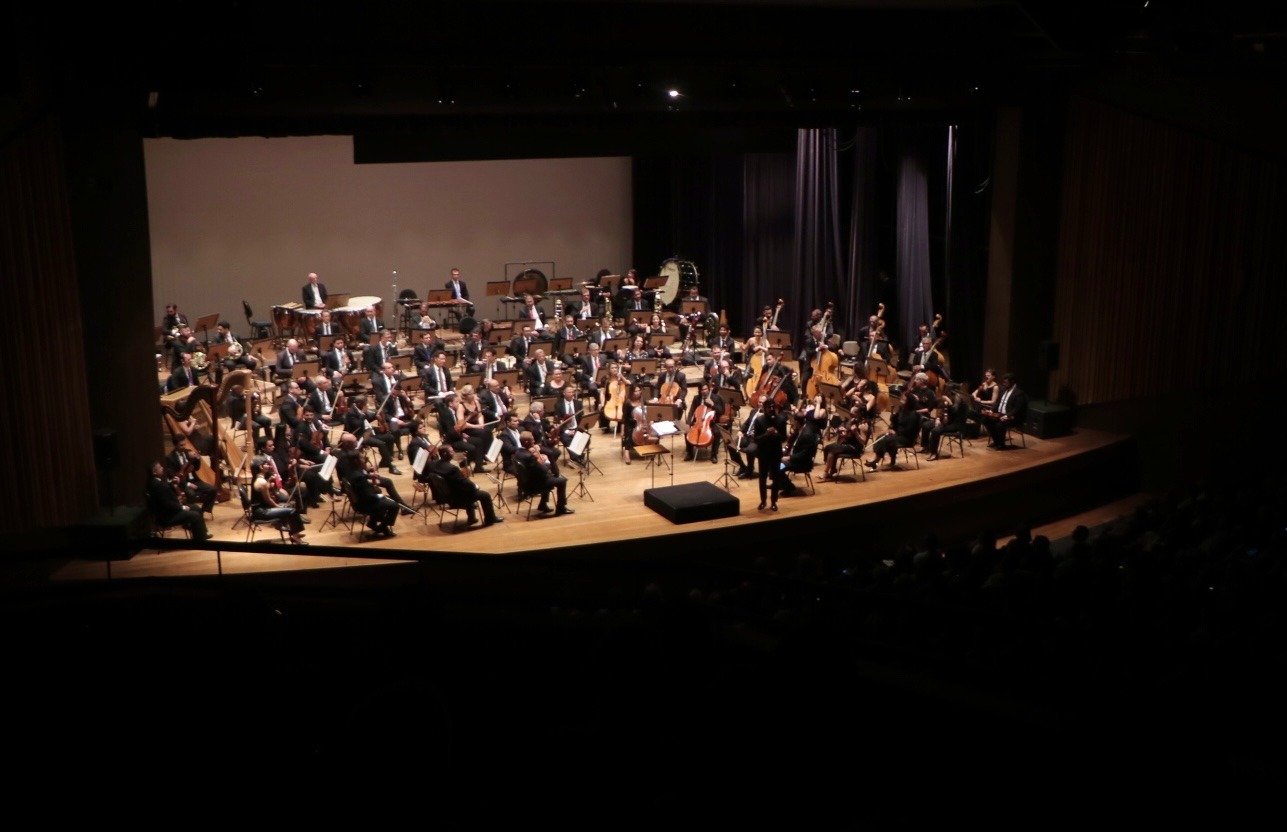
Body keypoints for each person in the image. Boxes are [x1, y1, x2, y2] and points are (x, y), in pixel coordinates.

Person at [429, 445, 502, 527]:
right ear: (445, 454)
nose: (453, 452)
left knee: (466, 490)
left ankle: (472, 518)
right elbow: (467, 484)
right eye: (451, 451)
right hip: (456, 499)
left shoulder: (433, 464)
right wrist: (476, 486)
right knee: (485, 495)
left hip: (444, 497)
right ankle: (490, 519)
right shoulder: (452, 469)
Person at [145, 460, 212, 540]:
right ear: (154, 472)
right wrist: (182, 507)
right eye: (159, 467)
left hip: (167, 512)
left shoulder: (152, 482)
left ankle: (203, 533)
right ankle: (200, 539)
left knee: (196, 508)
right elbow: (167, 504)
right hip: (167, 516)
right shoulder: (158, 486)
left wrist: (171, 483)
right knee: (195, 515)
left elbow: (165, 491)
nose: (162, 468)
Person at [515, 430, 573, 516]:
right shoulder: (530, 457)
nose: (534, 441)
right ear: (527, 442)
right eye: (532, 440)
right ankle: (561, 508)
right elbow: (543, 471)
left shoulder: (518, 452)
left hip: (525, 483)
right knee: (562, 481)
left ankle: (543, 505)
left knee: (550, 477)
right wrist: (546, 461)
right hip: (534, 485)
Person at [250, 460, 307, 545]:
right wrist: (278, 506)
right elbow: (268, 500)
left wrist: (269, 480)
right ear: (261, 467)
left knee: (289, 507)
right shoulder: (262, 482)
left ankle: (293, 532)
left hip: (259, 510)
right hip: (262, 512)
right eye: (266, 464)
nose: (269, 465)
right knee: (292, 510)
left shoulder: (258, 479)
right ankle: (295, 536)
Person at [867, 389, 921, 470]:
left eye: (904, 400)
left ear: (909, 402)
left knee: (886, 440)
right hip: (898, 435)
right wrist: (891, 428)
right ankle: (876, 460)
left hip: (906, 438)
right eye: (902, 399)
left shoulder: (914, 415)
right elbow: (895, 424)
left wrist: (895, 432)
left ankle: (875, 461)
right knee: (880, 438)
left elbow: (909, 430)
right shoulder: (902, 410)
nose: (901, 401)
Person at [346, 458, 399, 537]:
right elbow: (369, 496)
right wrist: (380, 495)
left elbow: (364, 482)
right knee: (395, 506)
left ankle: (373, 523)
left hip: (360, 502)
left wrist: (370, 477)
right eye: (362, 459)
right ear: (357, 462)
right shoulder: (360, 478)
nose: (365, 460)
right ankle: (381, 528)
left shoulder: (353, 472)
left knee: (386, 502)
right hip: (366, 504)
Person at [752, 399, 788, 510]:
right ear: (764, 408)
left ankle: (773, 501)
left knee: (775, 478)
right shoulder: (759, 420)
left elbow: (784, 438)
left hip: (775, 453)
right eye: (769, 407)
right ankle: (763, 501)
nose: (771, 409)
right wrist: (766, 434)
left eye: (773, 407)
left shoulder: (781, 420)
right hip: (763, 453)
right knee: (762, 478)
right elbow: (756, 439)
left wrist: (776, 433)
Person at [924, 386, 971, 460]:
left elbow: (956, 414)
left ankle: (934, 453)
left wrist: (950, 404)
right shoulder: (951, 401)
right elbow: (942, 411)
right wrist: (938, 419)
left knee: (935, 431)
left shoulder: (963, 405)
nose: (954, 396)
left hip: (955, 425)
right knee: (926, 425)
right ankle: (926, 448)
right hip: (946, 422)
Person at [982, 373, 1027, 449]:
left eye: (1006, 382)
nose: (1004, 384)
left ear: (1012, 382)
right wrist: (991, 410)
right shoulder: (1003, 390)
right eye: (1004, 382)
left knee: (1000, 424)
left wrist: (1008, 415)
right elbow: (997, 402)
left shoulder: (1019, 393)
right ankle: (996, 441)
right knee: (986, 420)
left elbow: (1018, 408)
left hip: (1012, 417)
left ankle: (1001, 445)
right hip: (1000, 414)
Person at [683, 382, 723, 463]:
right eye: (702, 390)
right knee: (687, 431)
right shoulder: (696, 398)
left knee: (717, 432)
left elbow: (721, 411)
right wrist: (688, 422)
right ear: (699, 391)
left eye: (705, 389)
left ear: (709, 389)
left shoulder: (716, 398)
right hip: (698, 421)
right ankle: (689, 453)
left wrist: (713, 404)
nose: (704, 391)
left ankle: (714, 454)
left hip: (711, 422)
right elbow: (691, 411)